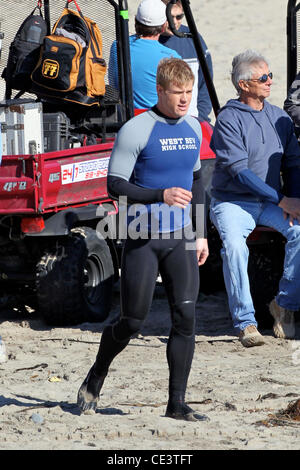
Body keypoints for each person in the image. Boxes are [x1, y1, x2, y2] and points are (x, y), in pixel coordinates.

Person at [77, 57, 209, 421]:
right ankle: (97, 373)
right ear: (160, 90)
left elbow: (196, 182)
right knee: (133, 321)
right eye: (177, 93)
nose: (184, 99)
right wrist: (159, 195)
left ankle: (176, 403)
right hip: (142, 235)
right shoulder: (137, 129)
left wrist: (200, 233)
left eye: (188, 92)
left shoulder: (194, 127)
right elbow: (114, 185)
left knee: (185, 316)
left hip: (182, 235)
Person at [209, 49, 300, 347]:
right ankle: (246, 322)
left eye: (271, 75)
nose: (270, 81)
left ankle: (284, 304)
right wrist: (282, 198)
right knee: (235, 247)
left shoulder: (279, 118)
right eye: (263, 77)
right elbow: (240, 172)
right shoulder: (228, 119)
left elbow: (293, 163)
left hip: (271, 202)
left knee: (299, 232)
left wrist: (294, 199)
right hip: (232, 202)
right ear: (244, 84)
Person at [108, 0, 181, 111]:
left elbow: (113, 82)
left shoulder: (117, 45)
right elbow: (177, 99)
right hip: (154, 119)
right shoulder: (171, 57)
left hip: (122, 116)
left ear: (136, 22)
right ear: (164, 26)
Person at [159, 0, 213, 121]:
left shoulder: (192, 37)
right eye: (169, 17)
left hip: (193, 119)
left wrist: (201, 117)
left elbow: (206, 83)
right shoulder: (151, 40)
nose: (174, 22)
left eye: (179, 17)